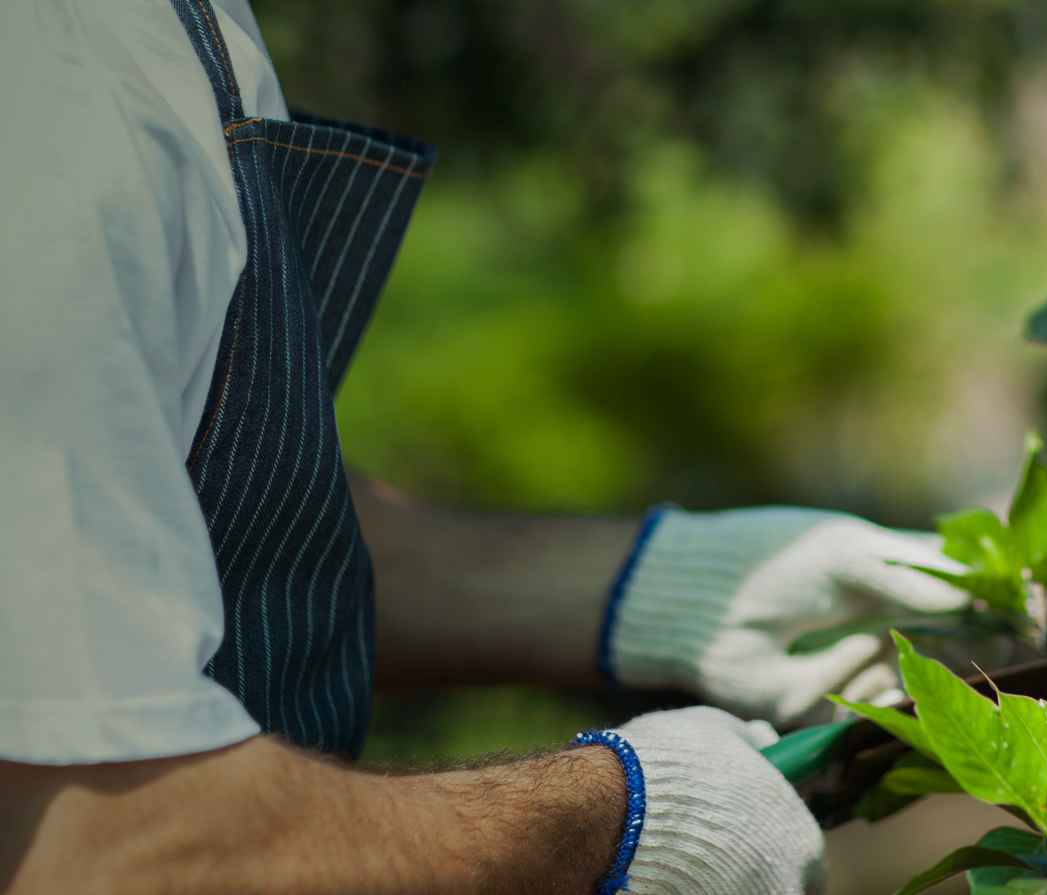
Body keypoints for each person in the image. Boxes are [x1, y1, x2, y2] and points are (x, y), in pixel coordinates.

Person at [0, 1, 969, 892]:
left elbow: (206, 535)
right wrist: (621, 817)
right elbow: (115, 847)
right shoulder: (57, 89)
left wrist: (672, 585)